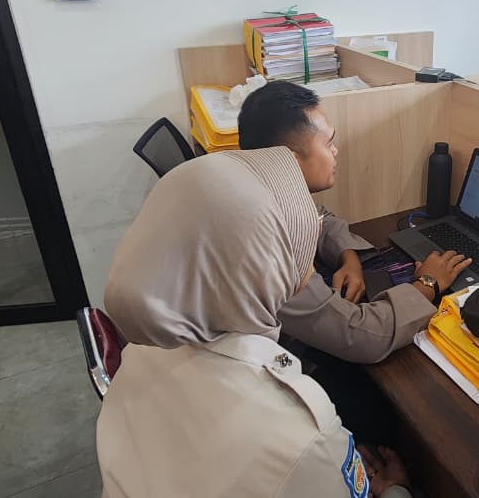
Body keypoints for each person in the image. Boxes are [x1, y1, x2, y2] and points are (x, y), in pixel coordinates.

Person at [99, 148, 412, 497]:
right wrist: (395, 491)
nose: (307, 251)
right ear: (263, 264)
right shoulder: (303, 439)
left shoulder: (140, 354)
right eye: (291, 238)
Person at [237, 81, 472, 363]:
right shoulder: (269, 245)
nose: (335, 151)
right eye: (328, 143)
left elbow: (321, 216)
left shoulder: (260, 188)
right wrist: (428, 282)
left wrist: (349, 258)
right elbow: (363, 336)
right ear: (291, 160)